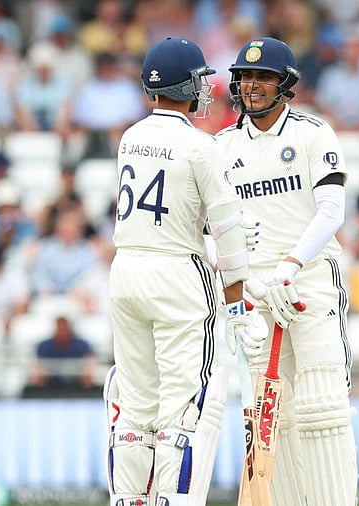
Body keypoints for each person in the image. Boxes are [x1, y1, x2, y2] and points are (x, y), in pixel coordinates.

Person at [104, 37, 266, 506]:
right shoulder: (200, 146)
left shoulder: (131, 138)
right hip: (177, 278)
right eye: (199, 80)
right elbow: (228, 228)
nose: (204, 89)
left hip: (126, 271)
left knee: (134, 404)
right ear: (186, 85)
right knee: (183, 407)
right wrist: (236, 301)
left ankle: (128, 499)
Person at [214, 36, 358, 505]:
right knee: (271, 415)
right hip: (256, 289)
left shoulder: (313, 133)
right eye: (244, 77)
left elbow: (332, 210)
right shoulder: (221, 146)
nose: (251, 85)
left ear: (285, 84)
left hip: (310, 278)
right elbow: (209, 229)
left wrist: (290, 266)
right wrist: (247, 287)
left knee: (322, 406)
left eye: (262, 77)